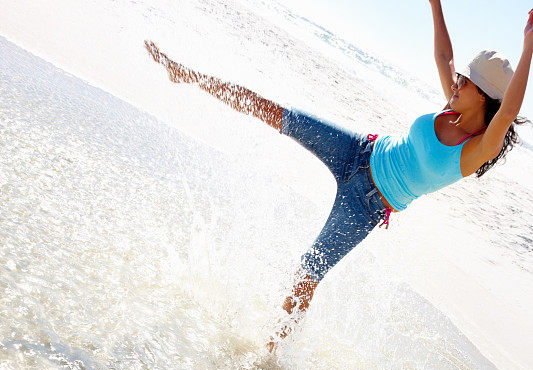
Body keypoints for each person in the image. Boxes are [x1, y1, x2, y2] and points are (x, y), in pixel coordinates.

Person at [144, 2, 532, 351]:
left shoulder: (478, 148)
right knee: (276, 112)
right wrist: (435, 3)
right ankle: (188, 75)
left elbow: (510, 107)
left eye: (465, 81)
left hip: (366, 205)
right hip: (358, 149)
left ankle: (268, 354)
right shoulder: (453, 104)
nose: (456, 82)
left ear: (483, 96)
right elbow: (444, 54)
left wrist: (529, 41)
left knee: (307, 273)